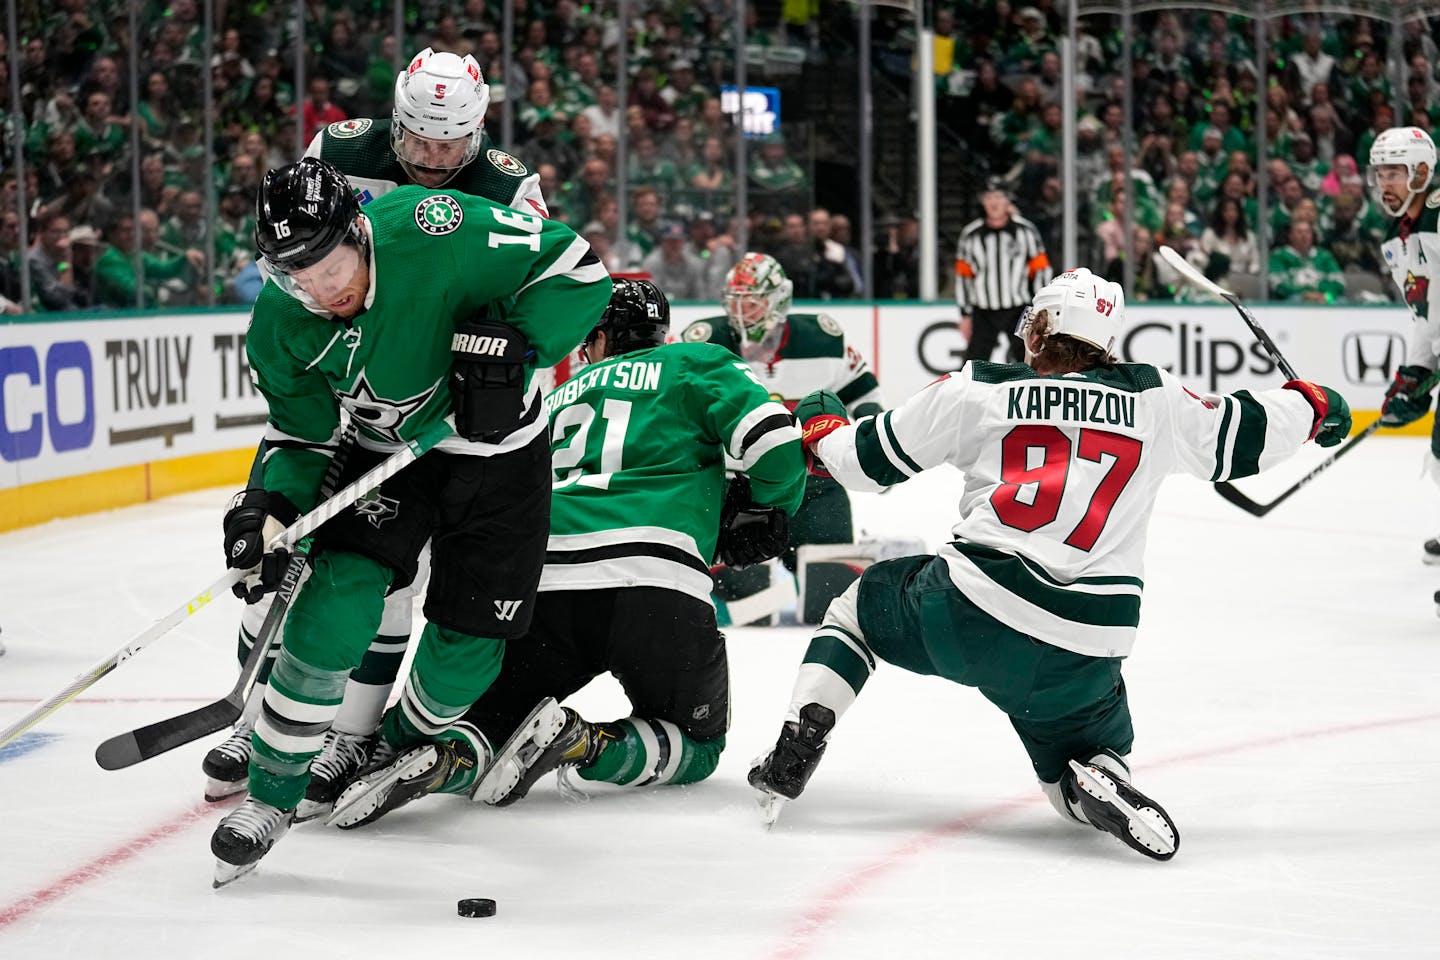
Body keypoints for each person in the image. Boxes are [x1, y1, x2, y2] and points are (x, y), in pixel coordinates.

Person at [749, 268, 1351, 860]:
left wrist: (823, 425)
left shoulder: (977, 389)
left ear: (1042, 330)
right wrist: (1314, 405)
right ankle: (1096, 782)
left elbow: (861, 462)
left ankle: (800, 740)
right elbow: (1247, 431)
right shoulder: (1156, 397)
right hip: (1086, 645)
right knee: (1079, 763)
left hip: (970, 609)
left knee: (857, 609)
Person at [208, 157, 610, 886]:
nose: (322, 290)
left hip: (504, 456)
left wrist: (518, 345)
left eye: (329, 265)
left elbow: (580, 271)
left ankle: (387, 743)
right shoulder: (281, 325)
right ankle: (271, 795)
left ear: (357, 232)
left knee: (466, 655)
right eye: (296, 276)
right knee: (334, 601)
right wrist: (269, 507)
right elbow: (300, 436)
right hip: (391, 456)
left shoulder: (436, 227)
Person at [202, 45, 557, 813]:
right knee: (274, 549)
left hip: (425, 399)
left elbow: (530, 293)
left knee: (385, 583)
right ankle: (258, 711)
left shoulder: (506, 187)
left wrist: (501, 365)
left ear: (479, 130)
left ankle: (350, 736)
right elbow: (291, 246)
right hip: (337, 383)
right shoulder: (337, 147)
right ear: (393, 120)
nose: (431, 158)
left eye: (449, 144)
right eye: (417, 139)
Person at [327, 279, 806, 825]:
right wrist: (769, 507)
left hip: (537, 584)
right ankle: (585, 744)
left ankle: (450, 759)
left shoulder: (547, 399)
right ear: (660, 334)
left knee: (490, 722)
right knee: (696, 743)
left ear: (596, 339)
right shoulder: (694, 362)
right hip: (653, 578)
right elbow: (773, 441)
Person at [681, 252, 883, 623]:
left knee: (829, 603)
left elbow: (865, 396)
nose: (741, 312)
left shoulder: (823, 338)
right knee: (745, 609)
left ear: (779, 300)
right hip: (735, 488)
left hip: (814, 485)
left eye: (752, 301)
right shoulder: (705, 341)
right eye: (735, 302)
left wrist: (875, 450)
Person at [1367, 127, 1440, 561]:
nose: (1385, 184)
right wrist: (1416, 369)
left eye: (1395, 172)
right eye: (1380, 173)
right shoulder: (1398, 239)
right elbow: (1425, 314)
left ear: (1423, 171)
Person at [955, 177, 1053, 363]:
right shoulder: (970, 235)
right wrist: (965, 314)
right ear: (982, 200)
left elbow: (1041, 270)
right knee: (973, 366)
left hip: (1018, 309)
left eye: (999, 196)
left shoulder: (1026, 231)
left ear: (1008, 200)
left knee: (1030, 361)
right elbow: (964, 277)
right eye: (989, 197)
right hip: (983, 310)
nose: (994, 202)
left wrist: (1039, 309)